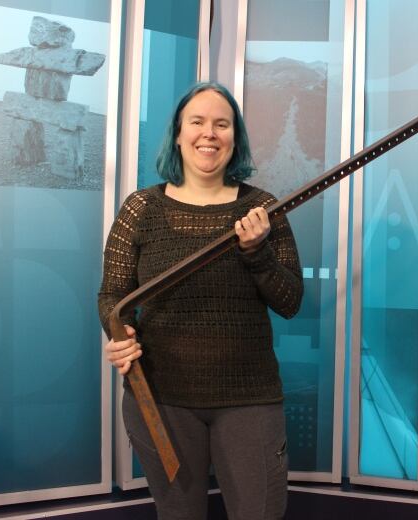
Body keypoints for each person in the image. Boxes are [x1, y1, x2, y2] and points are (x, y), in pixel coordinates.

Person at [98, 81, 303, 520]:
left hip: (250, 400)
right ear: (178, 133)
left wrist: (258, 252)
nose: (209, 134)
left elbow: (290, 301)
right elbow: (113, 295)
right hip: (160, 400)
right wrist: (119, 334)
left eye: (222, 124)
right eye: (198, 122)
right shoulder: (140, 208)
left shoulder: (262, 210)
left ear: (235, 137)